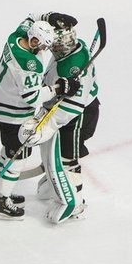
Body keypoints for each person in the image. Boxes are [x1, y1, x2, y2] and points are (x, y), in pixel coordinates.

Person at [0, 17, 79, 219]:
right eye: (43, 45)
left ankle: (1, 192)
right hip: (13, 112)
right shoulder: (29, 64)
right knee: (17, 156)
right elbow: (32, 98)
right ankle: (1, 202)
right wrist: (59, 87)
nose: (45, 50)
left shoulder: (15, 37)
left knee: (8, 151)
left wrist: (50, 16)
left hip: (0, 101)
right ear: (34, 41)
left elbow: (28, 19)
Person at [35, 12, 98, 221]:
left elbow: (72, 106)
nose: (54, 48)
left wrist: (46, 125)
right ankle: (55, 183)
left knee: (67, 155)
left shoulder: (74, 65)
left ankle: (75, 202)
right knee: (55, 147)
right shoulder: (67, 48)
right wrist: (50, 16)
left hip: (80, 114)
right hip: (65, 107)